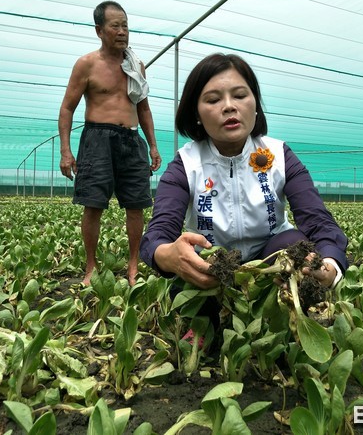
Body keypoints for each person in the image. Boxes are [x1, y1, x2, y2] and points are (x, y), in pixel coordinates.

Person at [140, 53, 347, 295]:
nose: (229, 106)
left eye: (240, 96)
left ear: (255, 105)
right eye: (213, 99)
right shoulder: (185, 163)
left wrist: (331, 265)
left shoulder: (279, 155)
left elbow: (317, 220)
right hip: (212, 269)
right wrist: (168, 255)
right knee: (191, 284)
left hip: (270, 269)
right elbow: (159, 233)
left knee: (290, 245)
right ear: (196, 114)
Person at [58, 0, 161, 286]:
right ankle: (91, 267)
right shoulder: (87, 64)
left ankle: (132, 265)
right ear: (99, 30)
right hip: (97, 138)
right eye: (115, 26)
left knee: (136, 204)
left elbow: (143, 108)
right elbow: (67, 107)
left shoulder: (135, 64)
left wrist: (152, 145)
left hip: (130, 139)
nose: (122, 31)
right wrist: (66, 151)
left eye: (125, 25)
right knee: (93, 204)